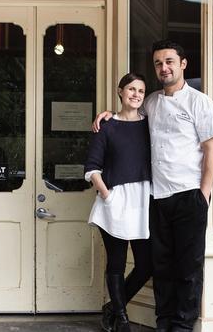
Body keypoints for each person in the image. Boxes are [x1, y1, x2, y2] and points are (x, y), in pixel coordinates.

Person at [93, 40, 213, 332]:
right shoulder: (150, 101)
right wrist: (109, 116)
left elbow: (212, 149)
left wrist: (203, 193)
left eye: (169, 62)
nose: (164, 68)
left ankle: (182, 325)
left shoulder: (199, 102)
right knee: (161, 267)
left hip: (190, 195)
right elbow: (130, 118)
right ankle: (163, 322)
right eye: (158, 63)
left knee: (188, 268)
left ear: (183, 64)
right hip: (157, 197)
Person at [85, 72, 153, 332]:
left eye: (141, 91)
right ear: (120, 91)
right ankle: (122, 319)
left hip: (142, 201)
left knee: (145, 265)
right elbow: (92, 167)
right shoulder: (107, 126)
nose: (136, 94)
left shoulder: (149, 125)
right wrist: (107, 196)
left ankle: (112, 307)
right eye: (131, 89)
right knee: (116, 261)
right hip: (114, 200)